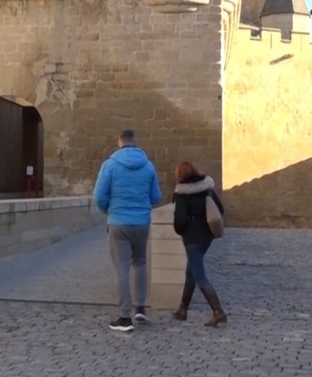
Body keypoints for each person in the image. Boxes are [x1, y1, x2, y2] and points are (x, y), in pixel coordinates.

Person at [94, 129, 163, 332]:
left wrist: (111, 210)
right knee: (140, 263)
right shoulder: (148, 166)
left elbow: (99, 197)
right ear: (135, 142)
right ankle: (141, 307)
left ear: (119, 142)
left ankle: (125, 317)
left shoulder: (110, 165)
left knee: (121, 268)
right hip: (141, 223)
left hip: (118, 222)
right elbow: (156, 196)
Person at [172, 161, 227, 327]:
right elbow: (220, 210)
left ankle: (218, 312)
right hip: (206, 237)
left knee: (200, 276)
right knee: (191, 273)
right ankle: (182, 309)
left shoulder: (182, 194)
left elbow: (179, 222)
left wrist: (185, 228)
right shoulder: (207, 189)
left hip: (192, 240)